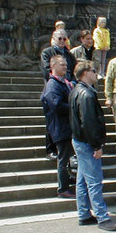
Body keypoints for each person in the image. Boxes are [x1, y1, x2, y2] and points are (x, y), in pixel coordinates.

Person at [69, 60, 116, 231]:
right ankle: (102, 217)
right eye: (93, 71)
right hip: (86, 142)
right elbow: (88, 122)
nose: (96, 73)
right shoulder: (86, 95)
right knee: (94, 181)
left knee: (82, 180)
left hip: (79, 140)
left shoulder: (77, 90)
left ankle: (83, 213)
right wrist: (97, 146)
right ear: (84, 73)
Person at [40, 55, 75, 198]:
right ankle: (63, 188)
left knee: (67, 157)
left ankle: (67, 179)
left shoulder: (62, 82)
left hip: (66, 126)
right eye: (62, 65)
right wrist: (74, 106)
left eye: (66, 64)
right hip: (60, 127)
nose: (65, 67)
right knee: (63, 158)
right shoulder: (53, 84)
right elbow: (56, 105)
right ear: (53, 66)